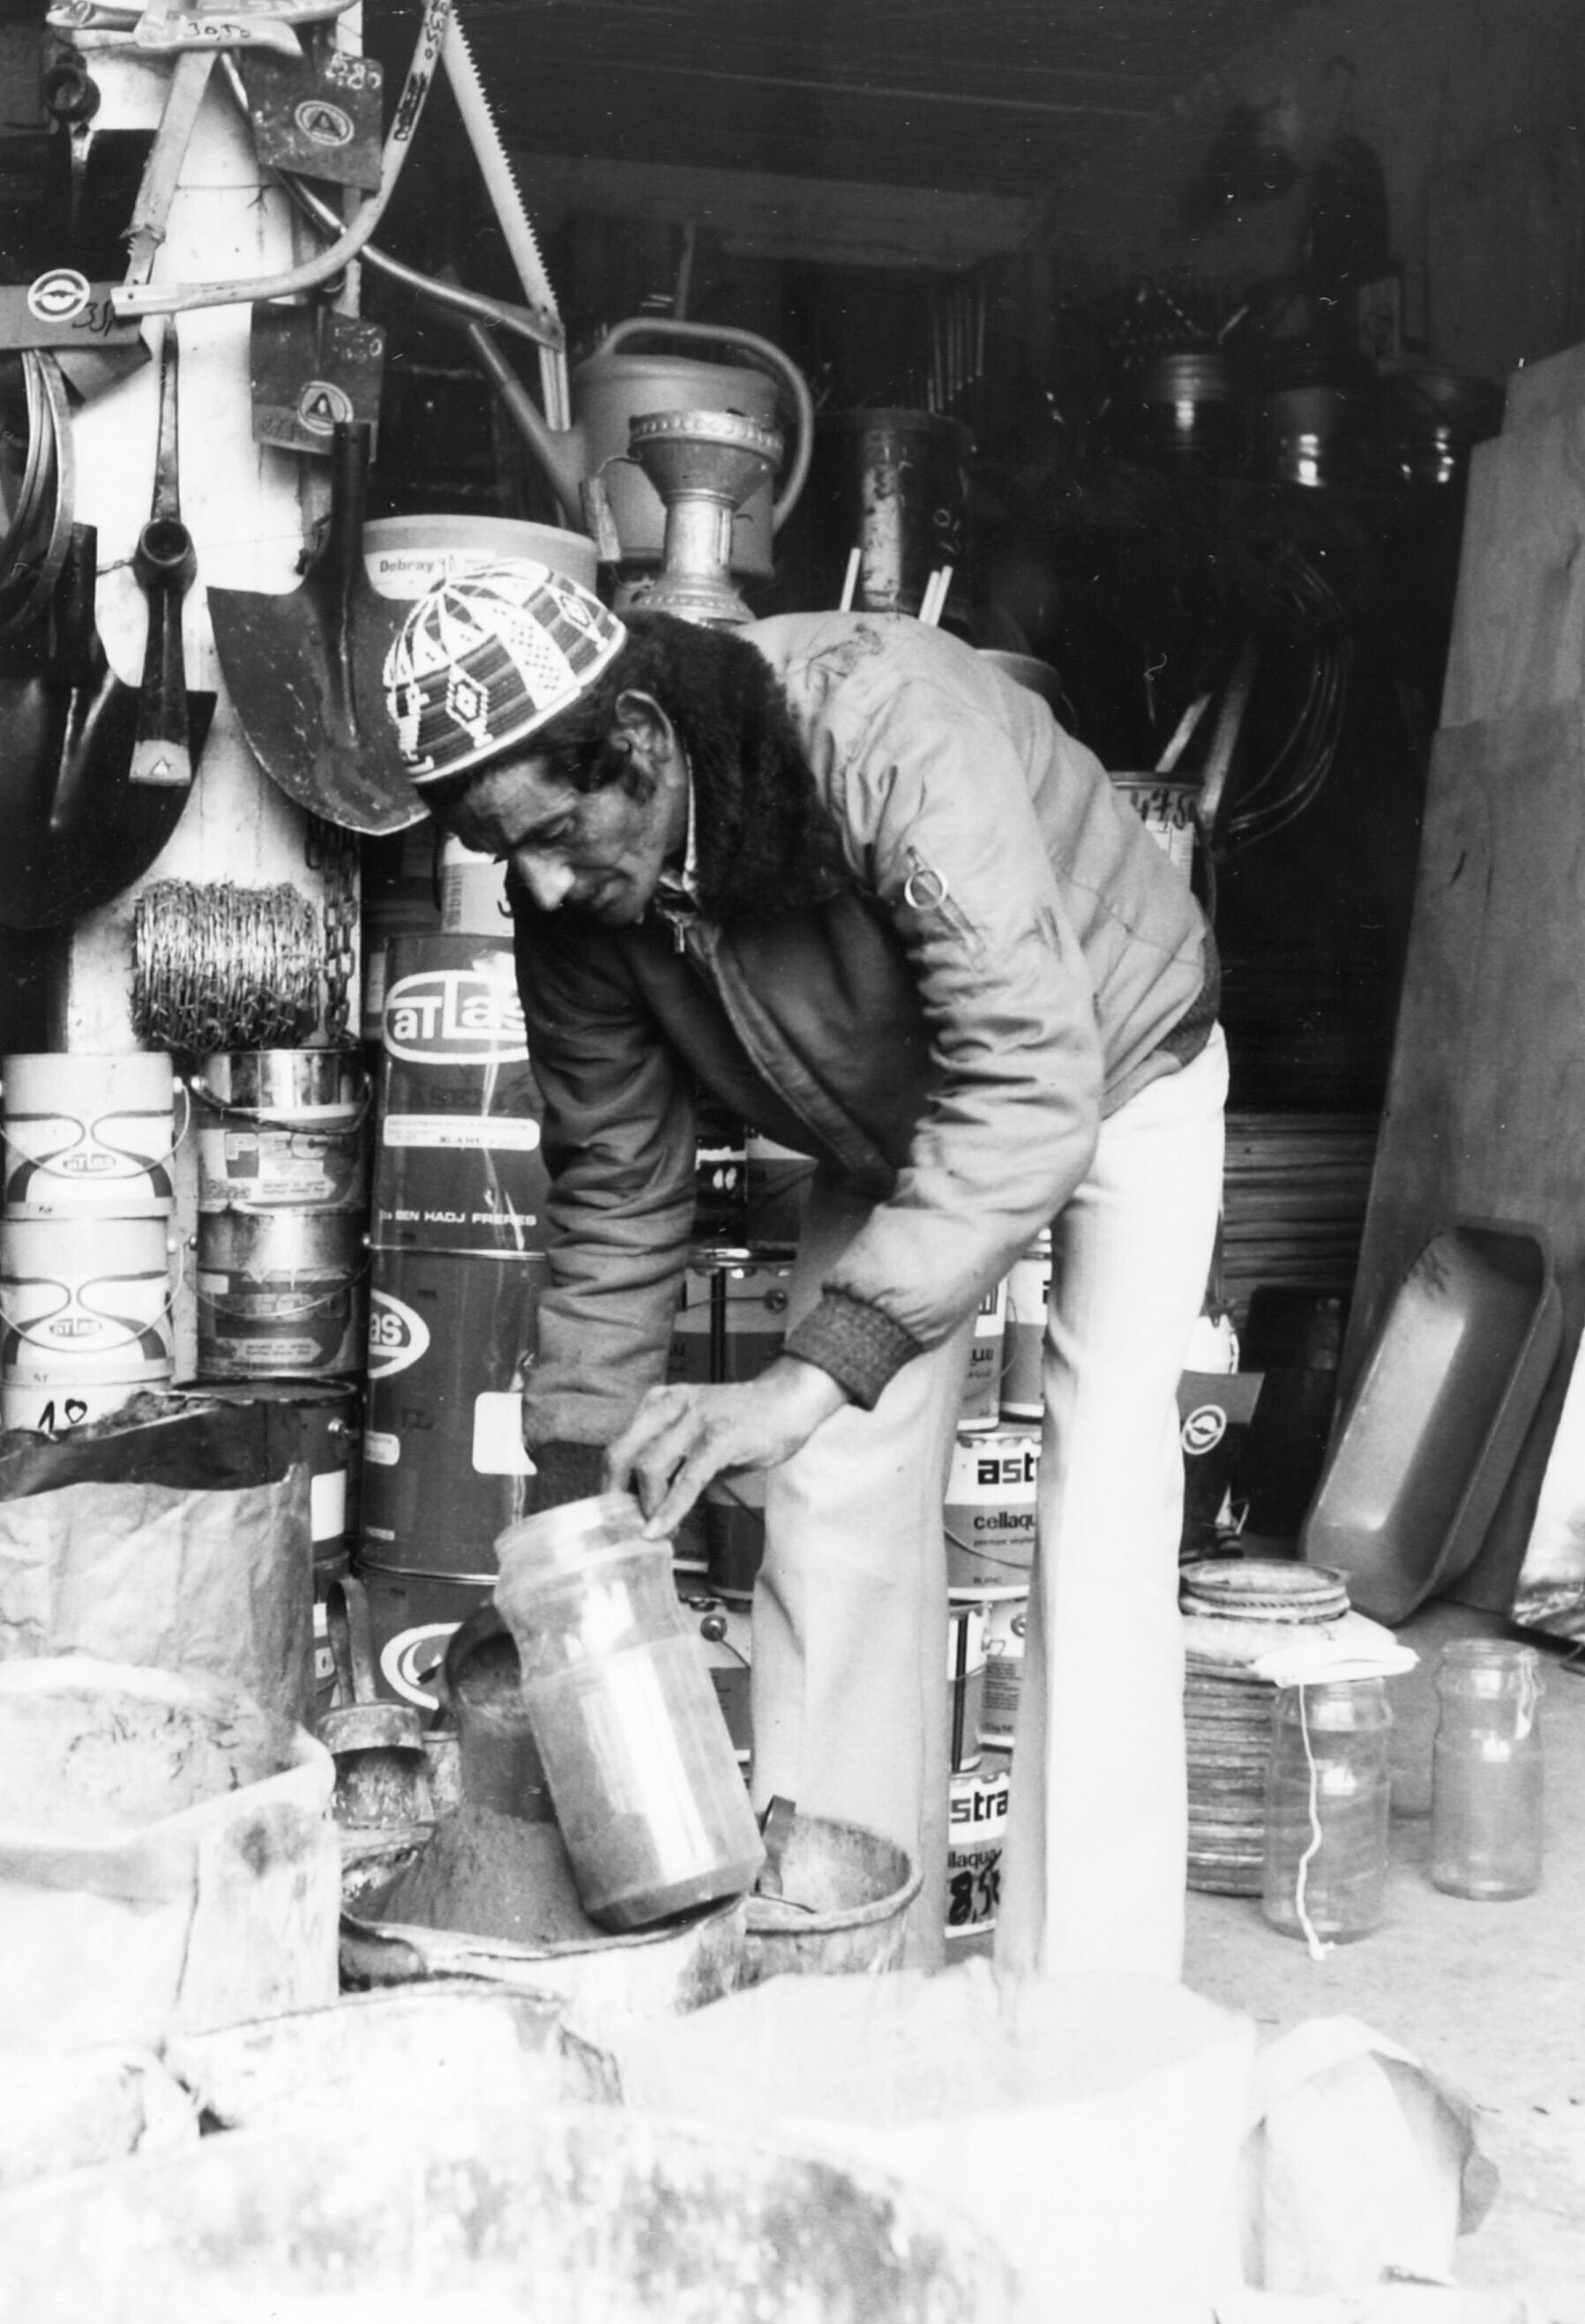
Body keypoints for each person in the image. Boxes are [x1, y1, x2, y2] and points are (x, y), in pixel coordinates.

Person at [383, 559, 1227, 1978]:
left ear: (640, 741)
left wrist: (803, 1374)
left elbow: (1027, 1086)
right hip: (887, 1119)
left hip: (1111, 1056)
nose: (540, 883)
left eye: (555, 832)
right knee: (829, 1497)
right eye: (500, 852)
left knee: (1098, 1517)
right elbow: (616, 1181)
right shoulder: (574, 899)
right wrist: (580, 1497)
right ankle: (842, 1967)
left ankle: (1087, 2004)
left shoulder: (882, 729)